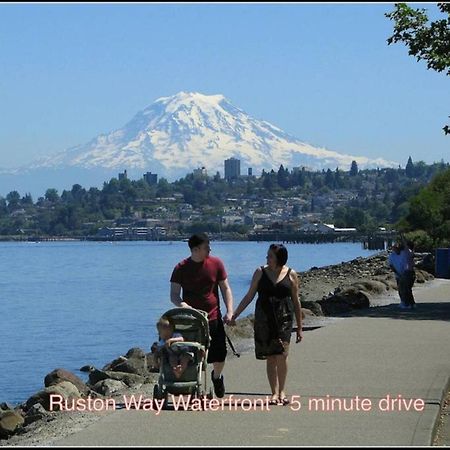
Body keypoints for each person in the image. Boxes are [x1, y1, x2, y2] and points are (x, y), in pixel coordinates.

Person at [230, 244, 303, 406]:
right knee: (270, 356)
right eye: (267, 255)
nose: (267, 258)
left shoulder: (291, 275)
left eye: (270, 256)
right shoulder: (259, 273)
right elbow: (249, 296)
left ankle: (282, 391)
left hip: (284, 319)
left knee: (282, 355)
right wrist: (235, 314)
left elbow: (296, 302)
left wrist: (299, 327)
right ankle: (274, 392)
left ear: (279, 258)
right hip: (264, 319)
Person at [170, 232, 234, 398]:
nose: (210, 250)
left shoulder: (216, 263)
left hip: (213, 317)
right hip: (191, 320)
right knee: (191, 354)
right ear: (196, 249)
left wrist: (230, 310)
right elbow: (174, 295)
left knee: (220, 355)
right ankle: (192, 384)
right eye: (207, 247)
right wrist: (185, 306)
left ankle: (217, 376)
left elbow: (225, 288)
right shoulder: (181, 268)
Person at [388, 242, 407, 308]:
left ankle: (408, 302)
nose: (396, 249)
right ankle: (402, 302)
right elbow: (391, 266)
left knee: (406, 289)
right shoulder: (391, 256)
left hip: (405, 274)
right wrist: (397, 273)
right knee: (400, 289)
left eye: (397, 248)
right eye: (394, 248)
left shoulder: (403, 254)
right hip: (398, 275)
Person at [400, 240, 416, 309]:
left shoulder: (409, 252)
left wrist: (402, 237)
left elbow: (405, 245)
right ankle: (411, 303)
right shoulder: (411, 252)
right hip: (410, 272)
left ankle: (408, 304)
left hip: (408, 272)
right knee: (408, 289)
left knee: (406, 289)